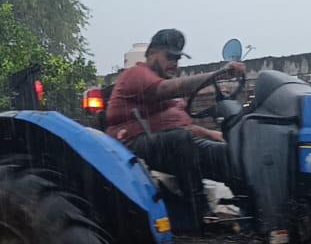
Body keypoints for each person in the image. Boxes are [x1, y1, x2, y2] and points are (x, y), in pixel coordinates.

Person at [105, 29, 245, 210]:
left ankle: (248, 210)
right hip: (130, 148)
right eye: (169, 57)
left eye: (177, 59)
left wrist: (212, 134)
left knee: (226, 153)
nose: (174, 64)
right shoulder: (137, 74)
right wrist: (217, 75)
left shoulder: (164, 93)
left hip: (165, 145)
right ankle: (198, 209)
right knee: (180, 138)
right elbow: (166, 90)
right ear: (152, 53)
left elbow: (182, 127)